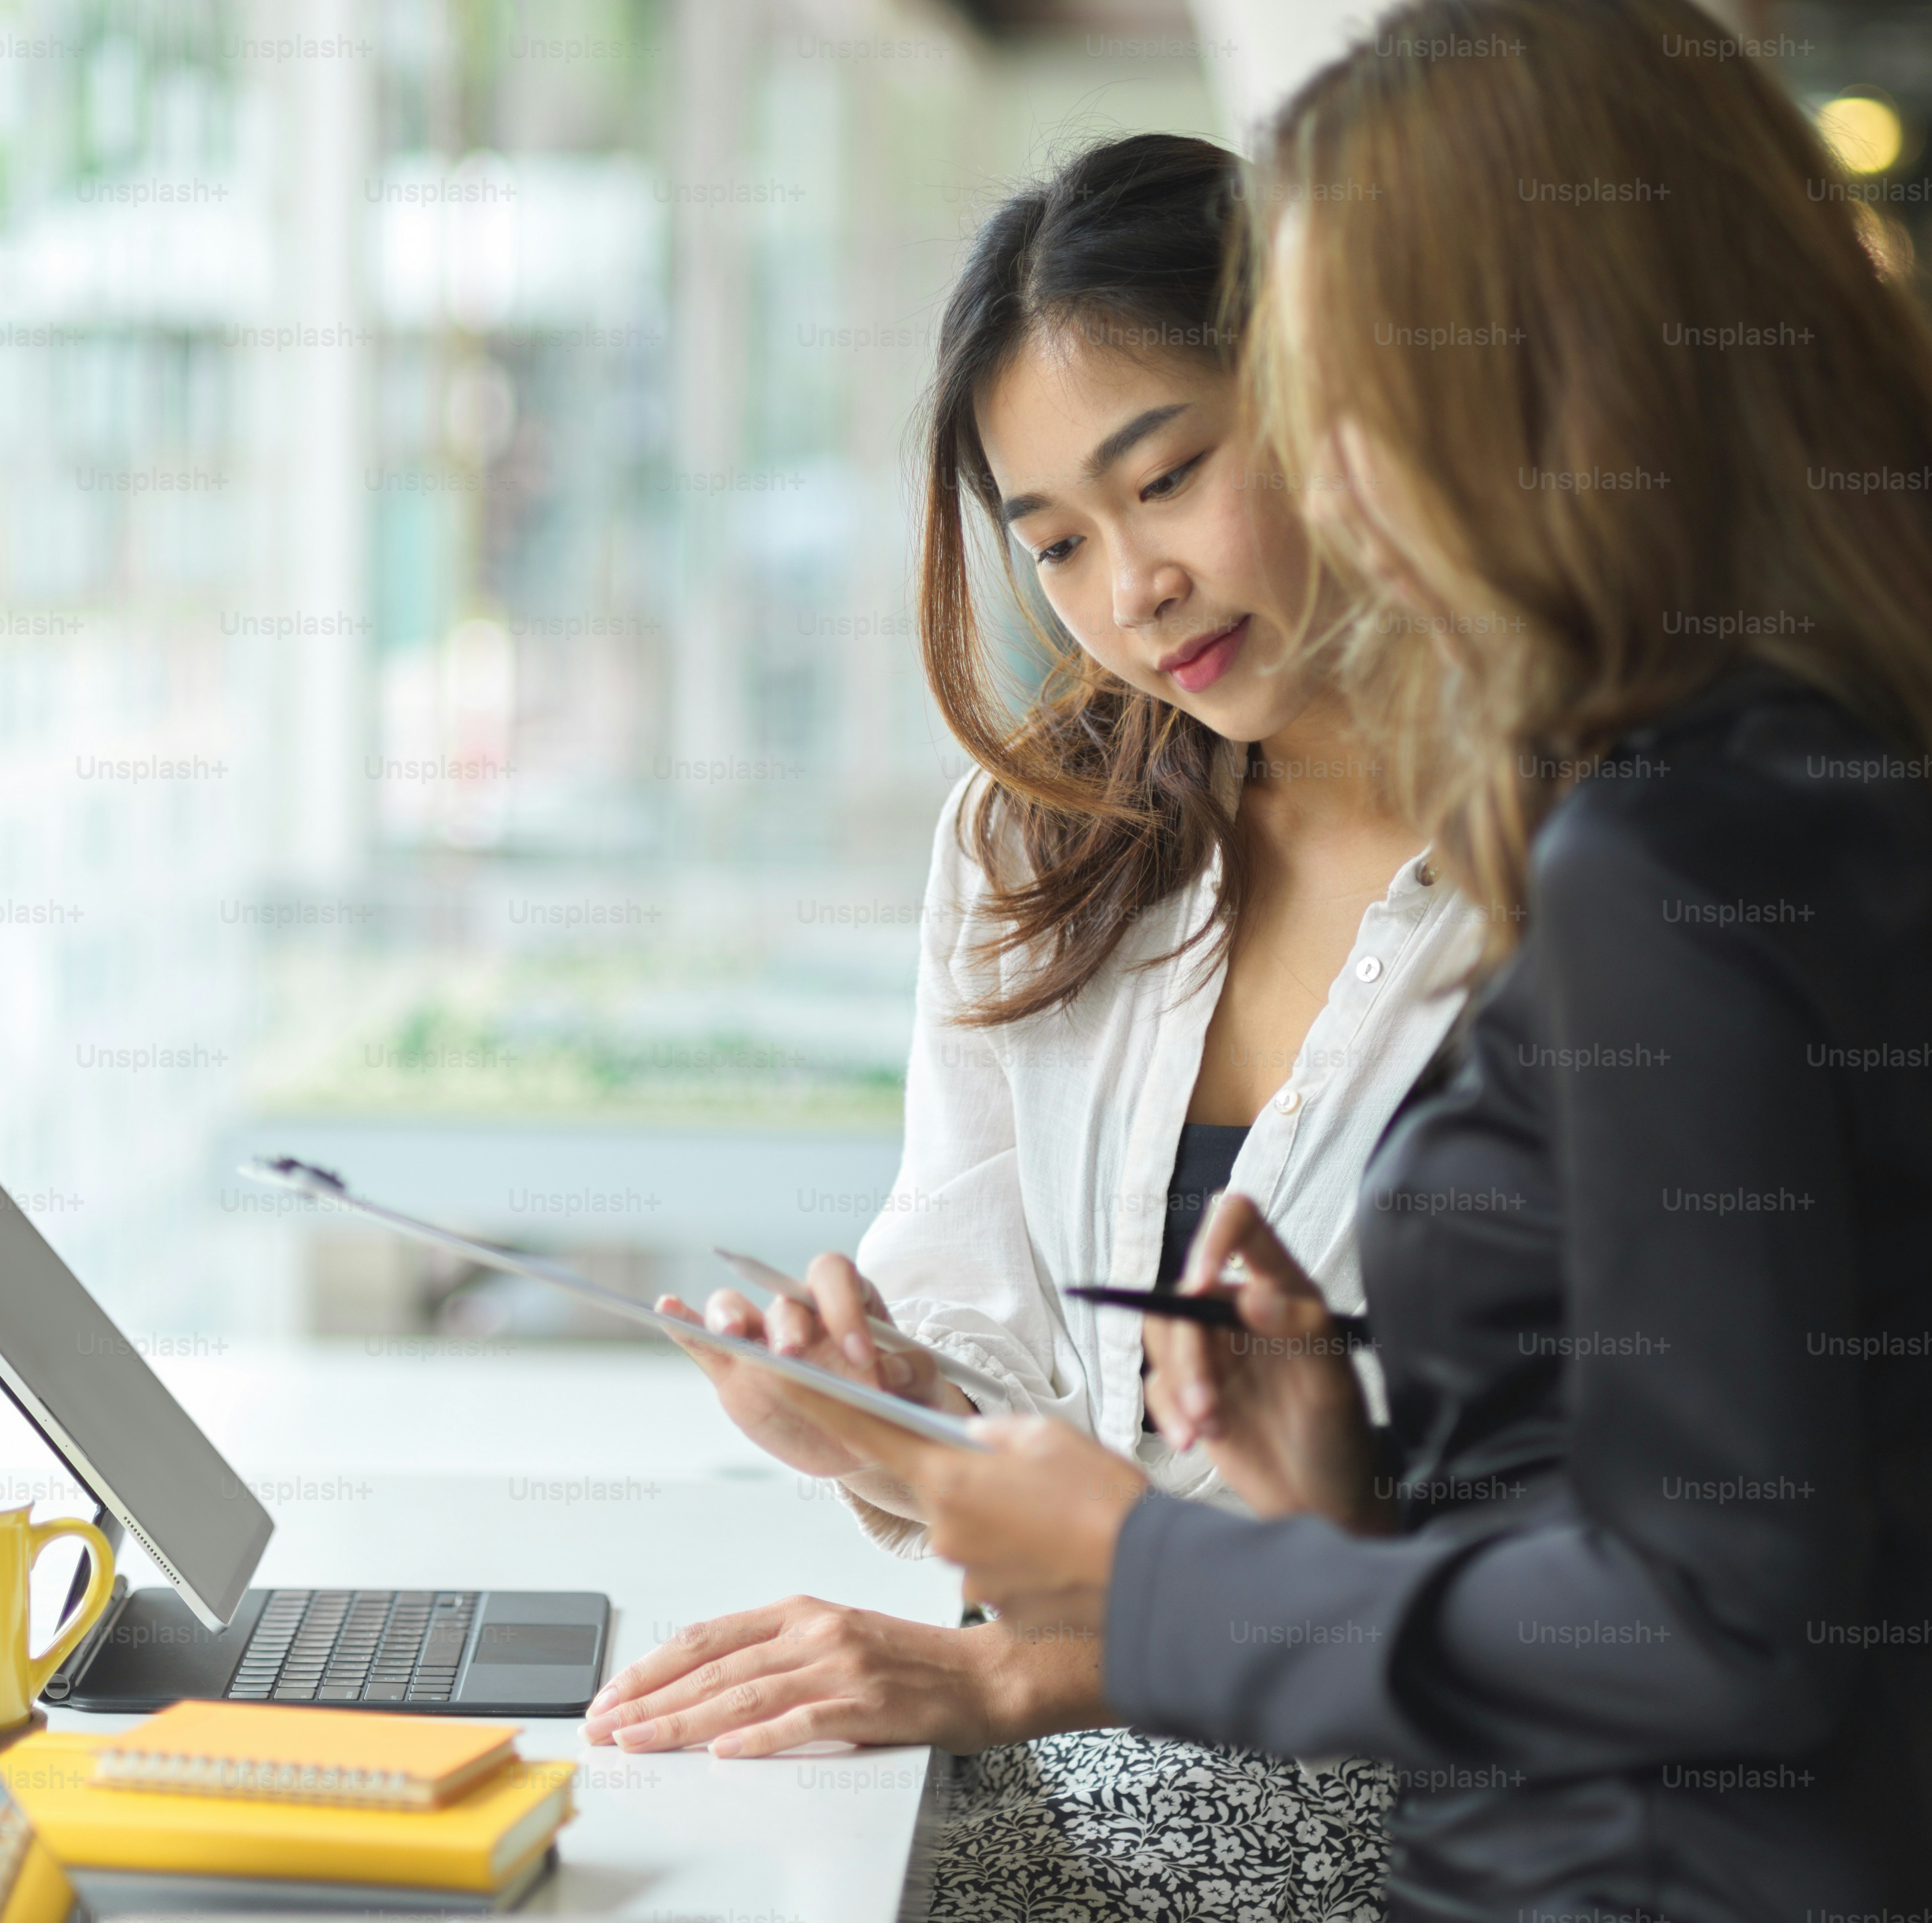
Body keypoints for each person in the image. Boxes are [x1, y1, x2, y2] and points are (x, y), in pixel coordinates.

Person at [771, 4, 1932, 1920]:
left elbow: (1717, 1626)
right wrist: (1328, 1497)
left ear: (1540, 369)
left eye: (1334, 395)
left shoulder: (1655, 851)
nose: (1333, 486)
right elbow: (1747, 1522)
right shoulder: (1860, 781)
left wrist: (1151, 1574)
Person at [582, 135, 1482, 1919]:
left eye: (1169, 480)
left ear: (1340, 399)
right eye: (1055, 540)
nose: (1128, 590)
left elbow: (1558, 1584)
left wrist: (1007, 1674)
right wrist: (892, 1418)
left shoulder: (1573, 873)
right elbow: (1040, 1410)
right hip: (1090, 1744)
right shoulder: (1045, 838)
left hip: (1425, 1817)